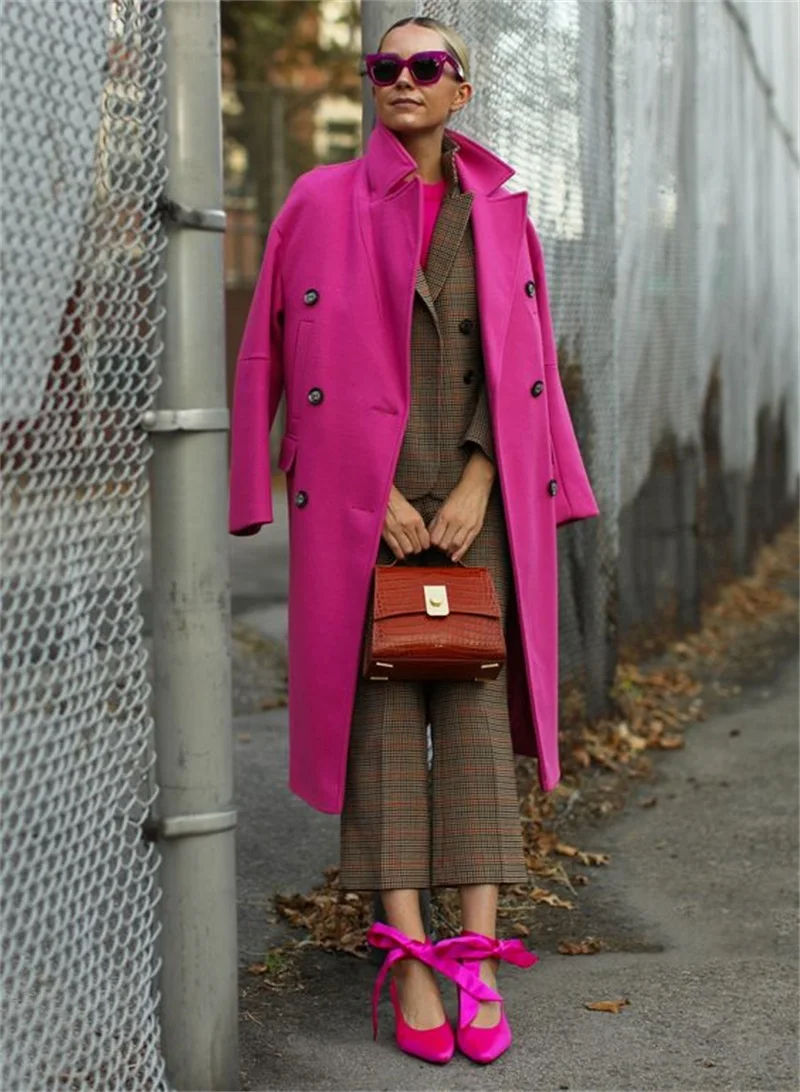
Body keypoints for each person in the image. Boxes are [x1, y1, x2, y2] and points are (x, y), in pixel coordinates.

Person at [228, 14, 599, 1068]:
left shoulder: (500, 208)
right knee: (384, 723)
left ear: (459, 90)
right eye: (384, 66)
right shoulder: (315, 204)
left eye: (424, 66)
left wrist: (486, 476)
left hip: (472, 507)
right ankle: (409, 952)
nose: (402, 80)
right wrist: (350, 488)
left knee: (475, 718)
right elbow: (274, 350)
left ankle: (473, 951)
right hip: (364, 508)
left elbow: (523, 358)